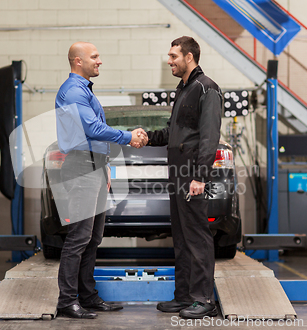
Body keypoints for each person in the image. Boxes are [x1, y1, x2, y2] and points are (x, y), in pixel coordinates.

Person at [55, 41, 147, 319]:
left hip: (93, 167)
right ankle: (67, 301)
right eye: (95, 57)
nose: (100, 61)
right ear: (78, 61)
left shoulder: (83, 90)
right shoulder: (73, 91)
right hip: (81, 168)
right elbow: (92, 128)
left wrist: (103, 167)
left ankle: (87, 296)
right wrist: (128, 136)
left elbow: (92, 136)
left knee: (93, 237)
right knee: (79, 238)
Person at [146, 36, 223, 319]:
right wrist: (145, 138)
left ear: (189, 57)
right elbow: (173, 134)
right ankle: (184, 297)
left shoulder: (207, 89)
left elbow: (209, 137)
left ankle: (204, 299)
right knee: (181, 237)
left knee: (197, 238)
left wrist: (200, 177)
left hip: (192, 176)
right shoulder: (183, 89)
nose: (169, 61)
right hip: (178, 176)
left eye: (173, 56)